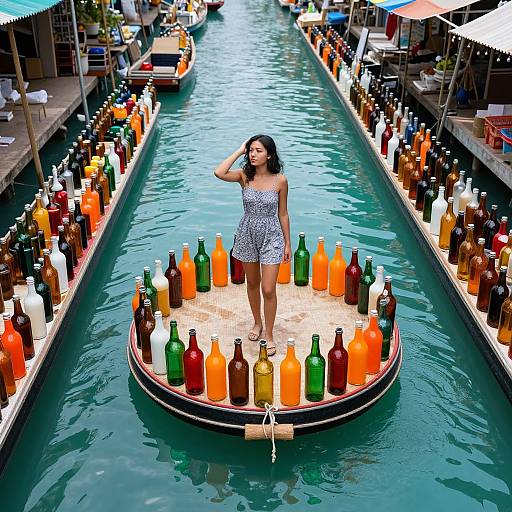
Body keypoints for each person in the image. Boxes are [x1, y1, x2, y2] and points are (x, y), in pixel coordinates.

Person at [214, 135, 291, 356]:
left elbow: (283, 213)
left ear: (269, 154)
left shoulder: (280, 181)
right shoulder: (244, 176)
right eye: (251, 151)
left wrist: (287, 243)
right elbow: (219, 172)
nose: (253, 154)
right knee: (252, 283)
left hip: (272, 235)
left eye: (258, 150)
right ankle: (257, 322)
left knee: (268, 288)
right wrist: (239, 150)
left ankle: (269, 334)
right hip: (247, 233)